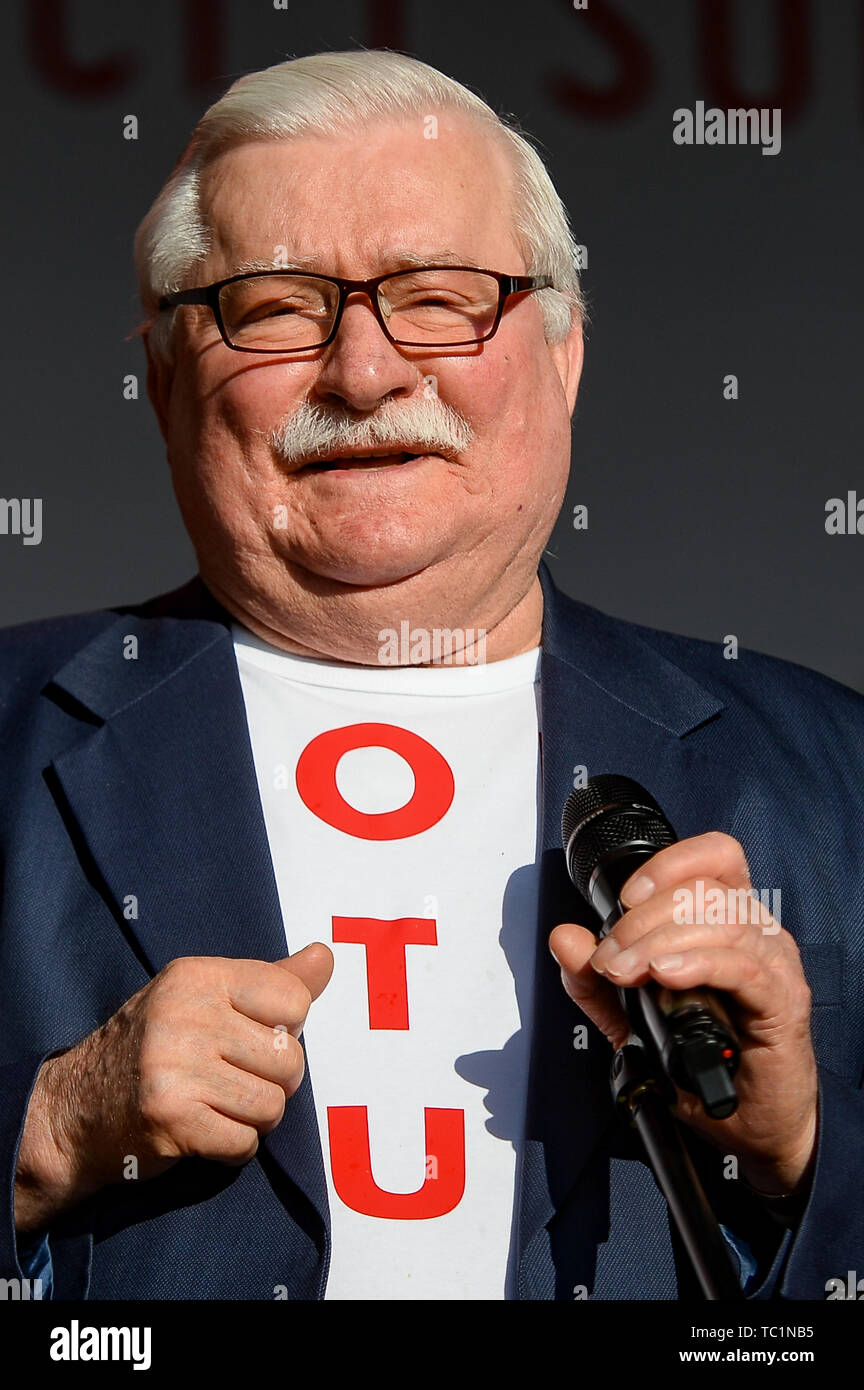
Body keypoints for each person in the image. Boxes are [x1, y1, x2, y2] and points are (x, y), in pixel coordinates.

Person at [3, 50, 863, 1302]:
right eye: (277, 303)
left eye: (441, 294)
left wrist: (800, 1156)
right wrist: (44, 1138)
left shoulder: (835, 773)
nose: (365, 372)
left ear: (563, 358)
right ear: (165, 381)